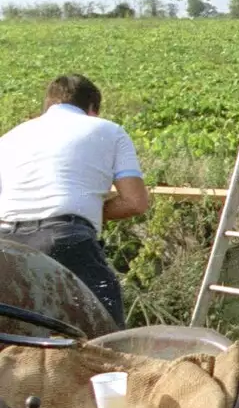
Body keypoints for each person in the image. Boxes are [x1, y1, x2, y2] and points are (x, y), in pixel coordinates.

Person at [0, 74, 149, 326]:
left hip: (6, 245)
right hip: (65, 239)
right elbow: (135, 201)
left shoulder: (10, 137)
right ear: (92, 110)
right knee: (106, 336)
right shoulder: (109, 130)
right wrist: (90, 209)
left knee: (13, 338)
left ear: (47, 106)